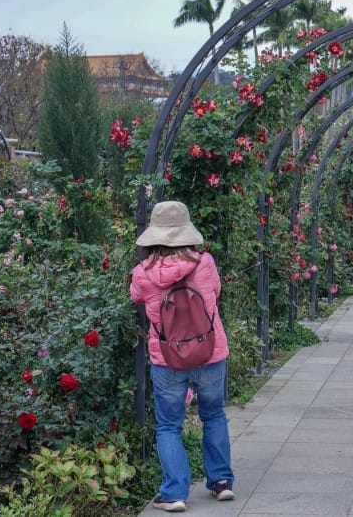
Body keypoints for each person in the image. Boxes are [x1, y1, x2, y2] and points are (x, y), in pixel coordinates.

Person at [130, 200, 234, 512]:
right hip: (209, 352)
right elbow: (213, 293)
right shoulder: (205, 262)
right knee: (213, 415)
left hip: (168, 358)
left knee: (169, 426)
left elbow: (136, 297)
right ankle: (221, 482)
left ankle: (174, 492)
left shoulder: (143, 272)